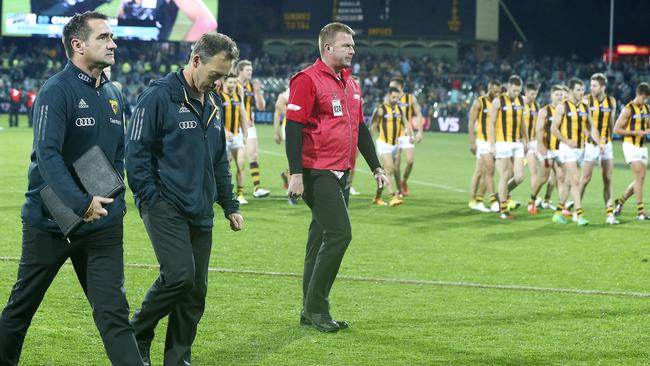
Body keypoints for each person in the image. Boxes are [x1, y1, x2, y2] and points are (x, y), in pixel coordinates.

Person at [0, 11, 143, 365]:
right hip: (50, 224)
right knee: (21, 310)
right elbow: (46, 156)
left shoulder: (112, 93)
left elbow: (117, 156)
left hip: (102, 225)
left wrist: (116, 204)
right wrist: (81, 204)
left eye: (112, 37)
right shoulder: (56, 90)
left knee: (114, 315)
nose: (113, 43)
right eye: (104, 37)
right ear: (78, 45)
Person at [125, 33, 243, 365]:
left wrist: (229, 204)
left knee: (195, 292)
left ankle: (178, 358)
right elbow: (135, 154)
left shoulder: (215, 102)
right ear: (195, 61)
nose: (220, 82)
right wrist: (150, 198)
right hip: (165, 204)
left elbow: (218, 159)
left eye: (224, 76)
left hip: (200, 208)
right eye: (216, 74)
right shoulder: (159, 97)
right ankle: (137, 333)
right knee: (179, 276)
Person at [285, 22, 389, 333]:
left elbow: (361, 129)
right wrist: (296, 174)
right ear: (328, 48)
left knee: (318, 242)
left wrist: (376, 167)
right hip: (317, 172)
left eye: (352, 45)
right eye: (347, 45)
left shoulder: (351, 83)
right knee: (341, 234)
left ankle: (308, 310)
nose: (353, 50)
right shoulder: (307, 80)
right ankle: (319, 308)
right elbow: (293, 128)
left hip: (342, 172)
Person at [551, 78, 602, 226]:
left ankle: (558, 212)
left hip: (581, 148)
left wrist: (599, 143)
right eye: (579, 89)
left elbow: (592, 127)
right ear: (571, 90)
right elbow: (554, 129)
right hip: (567, 148)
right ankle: (578, 215)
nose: (582, 92)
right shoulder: (563, 107)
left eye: (582, 89)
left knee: (568, 182)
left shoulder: (585, 107)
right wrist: (566, 141)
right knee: (575, 180)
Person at [489, 75, 529, 219]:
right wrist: (493, 145)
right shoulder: (498, 101)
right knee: (505, 174)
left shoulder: (521, 101)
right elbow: (492, 124)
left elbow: (522, 121)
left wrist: (526, 139)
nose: (516, 94)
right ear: (508, 87)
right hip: (502, 142)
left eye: (518, 91)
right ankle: (503, 209)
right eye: (514, 91)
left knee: (519, 177)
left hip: (516, 142)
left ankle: (501, 196)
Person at [580, 73, 618, 224]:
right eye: (591, 85)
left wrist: (607, 142)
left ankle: (610, 214)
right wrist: (595, 139)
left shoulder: (612, 101)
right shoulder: (586, 100)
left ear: (603, 86)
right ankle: (577, 208)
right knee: (586, 178)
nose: (592, 88)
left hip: (606, 144)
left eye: (595, 85)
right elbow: (582, 124)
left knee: (608, 178)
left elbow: (611, 124)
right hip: (591, 144)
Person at [612, 82, 650, 221]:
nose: (645, 101)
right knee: (639, 176)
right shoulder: (628, 109)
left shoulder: (647, 109)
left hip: (642, 147)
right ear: (638, 95)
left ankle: (620, 202)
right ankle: (640, 211)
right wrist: (635, 132)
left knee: (639, 179)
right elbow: (616, 129)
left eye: (647, 99)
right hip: (630, 146)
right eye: (644, 98)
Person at [370, 87, 413, 206]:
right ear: (388, 95)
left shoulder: (399, 109)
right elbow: (373, 126)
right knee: (390, 169)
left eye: (397, 98)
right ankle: (393, 196)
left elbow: (405, 123)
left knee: (384, 172)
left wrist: (410, 134)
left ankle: (377, 197)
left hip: (395, 145)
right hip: (384, 144)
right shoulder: (380, 109)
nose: (395, 100)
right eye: (393, 97)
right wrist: (367, 143)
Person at [528, 84, 566, 215]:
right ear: (551, 96)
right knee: (543, 178)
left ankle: (562, 206)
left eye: (561, 94)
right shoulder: (545, 111)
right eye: (557, 94)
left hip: (561, 149)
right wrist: (541, 145)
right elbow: (538, 129)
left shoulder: (566, 110)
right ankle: (532, 200)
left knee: (561, 177)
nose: (560, 97)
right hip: (548, 149)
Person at [237, 60, 271, 198]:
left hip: (250, 126)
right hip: (236, 126)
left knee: (253, 155)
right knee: (233, 159)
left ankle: (257, 188)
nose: (250, 72)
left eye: (251, 70)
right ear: (240, 71)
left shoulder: (252, 86)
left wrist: (257, 92)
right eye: (247, 70)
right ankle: (234, 191)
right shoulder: (234, 84)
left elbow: (261, 107)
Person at [467, 80, 500, 212]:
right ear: (489, 88)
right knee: (486, 170)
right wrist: (472, 141)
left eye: (499, 91)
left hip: (494, 142)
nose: (497, 94)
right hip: (482, 140)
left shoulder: (498, 103)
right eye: (495, 91)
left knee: (483, 171)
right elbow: (471, 122)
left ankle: (478, 200)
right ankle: (481, 200)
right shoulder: (479, 102)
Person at [388, 77, 424, 196]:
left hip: (407, 134)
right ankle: (397, 190)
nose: (391, 89)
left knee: (410, 161)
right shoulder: (390, 98)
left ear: (400, 86)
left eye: (393, 86)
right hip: (394, 135)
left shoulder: (410, 98)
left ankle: (404, 181)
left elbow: (418, 113)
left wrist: (419, 131)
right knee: (396, 165)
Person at [221, 73, 250, 204]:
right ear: (224, 83)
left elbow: (243, 115)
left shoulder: (238, 97)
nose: (232, 85)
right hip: (223, 137)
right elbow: (215, 116)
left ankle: (240, 194)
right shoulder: (219, 96)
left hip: (237, 135)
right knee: (224, 167)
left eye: (234, 83)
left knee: (240, 164)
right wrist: (224, 131)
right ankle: (224, 193)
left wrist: (245, 134)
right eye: (230, 83)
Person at [273, 86, 299, 205]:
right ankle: (292, 195)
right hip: (291, 126)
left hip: (302, 127)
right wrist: (276, 131)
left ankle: (285, 174)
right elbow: (278, 109)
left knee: (302, 158)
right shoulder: (289, 92)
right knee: (295, 158)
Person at [523, 83, 540, 205]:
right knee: (512, 173)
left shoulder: (536, 106)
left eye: (536, 94)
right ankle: (506, 196)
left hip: (533, 143)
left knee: (535, 171)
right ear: (526, 92)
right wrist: (524, 141)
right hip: (521, 142)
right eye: (532, 93)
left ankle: (536, 197)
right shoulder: (519, 104)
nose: (534, 96)